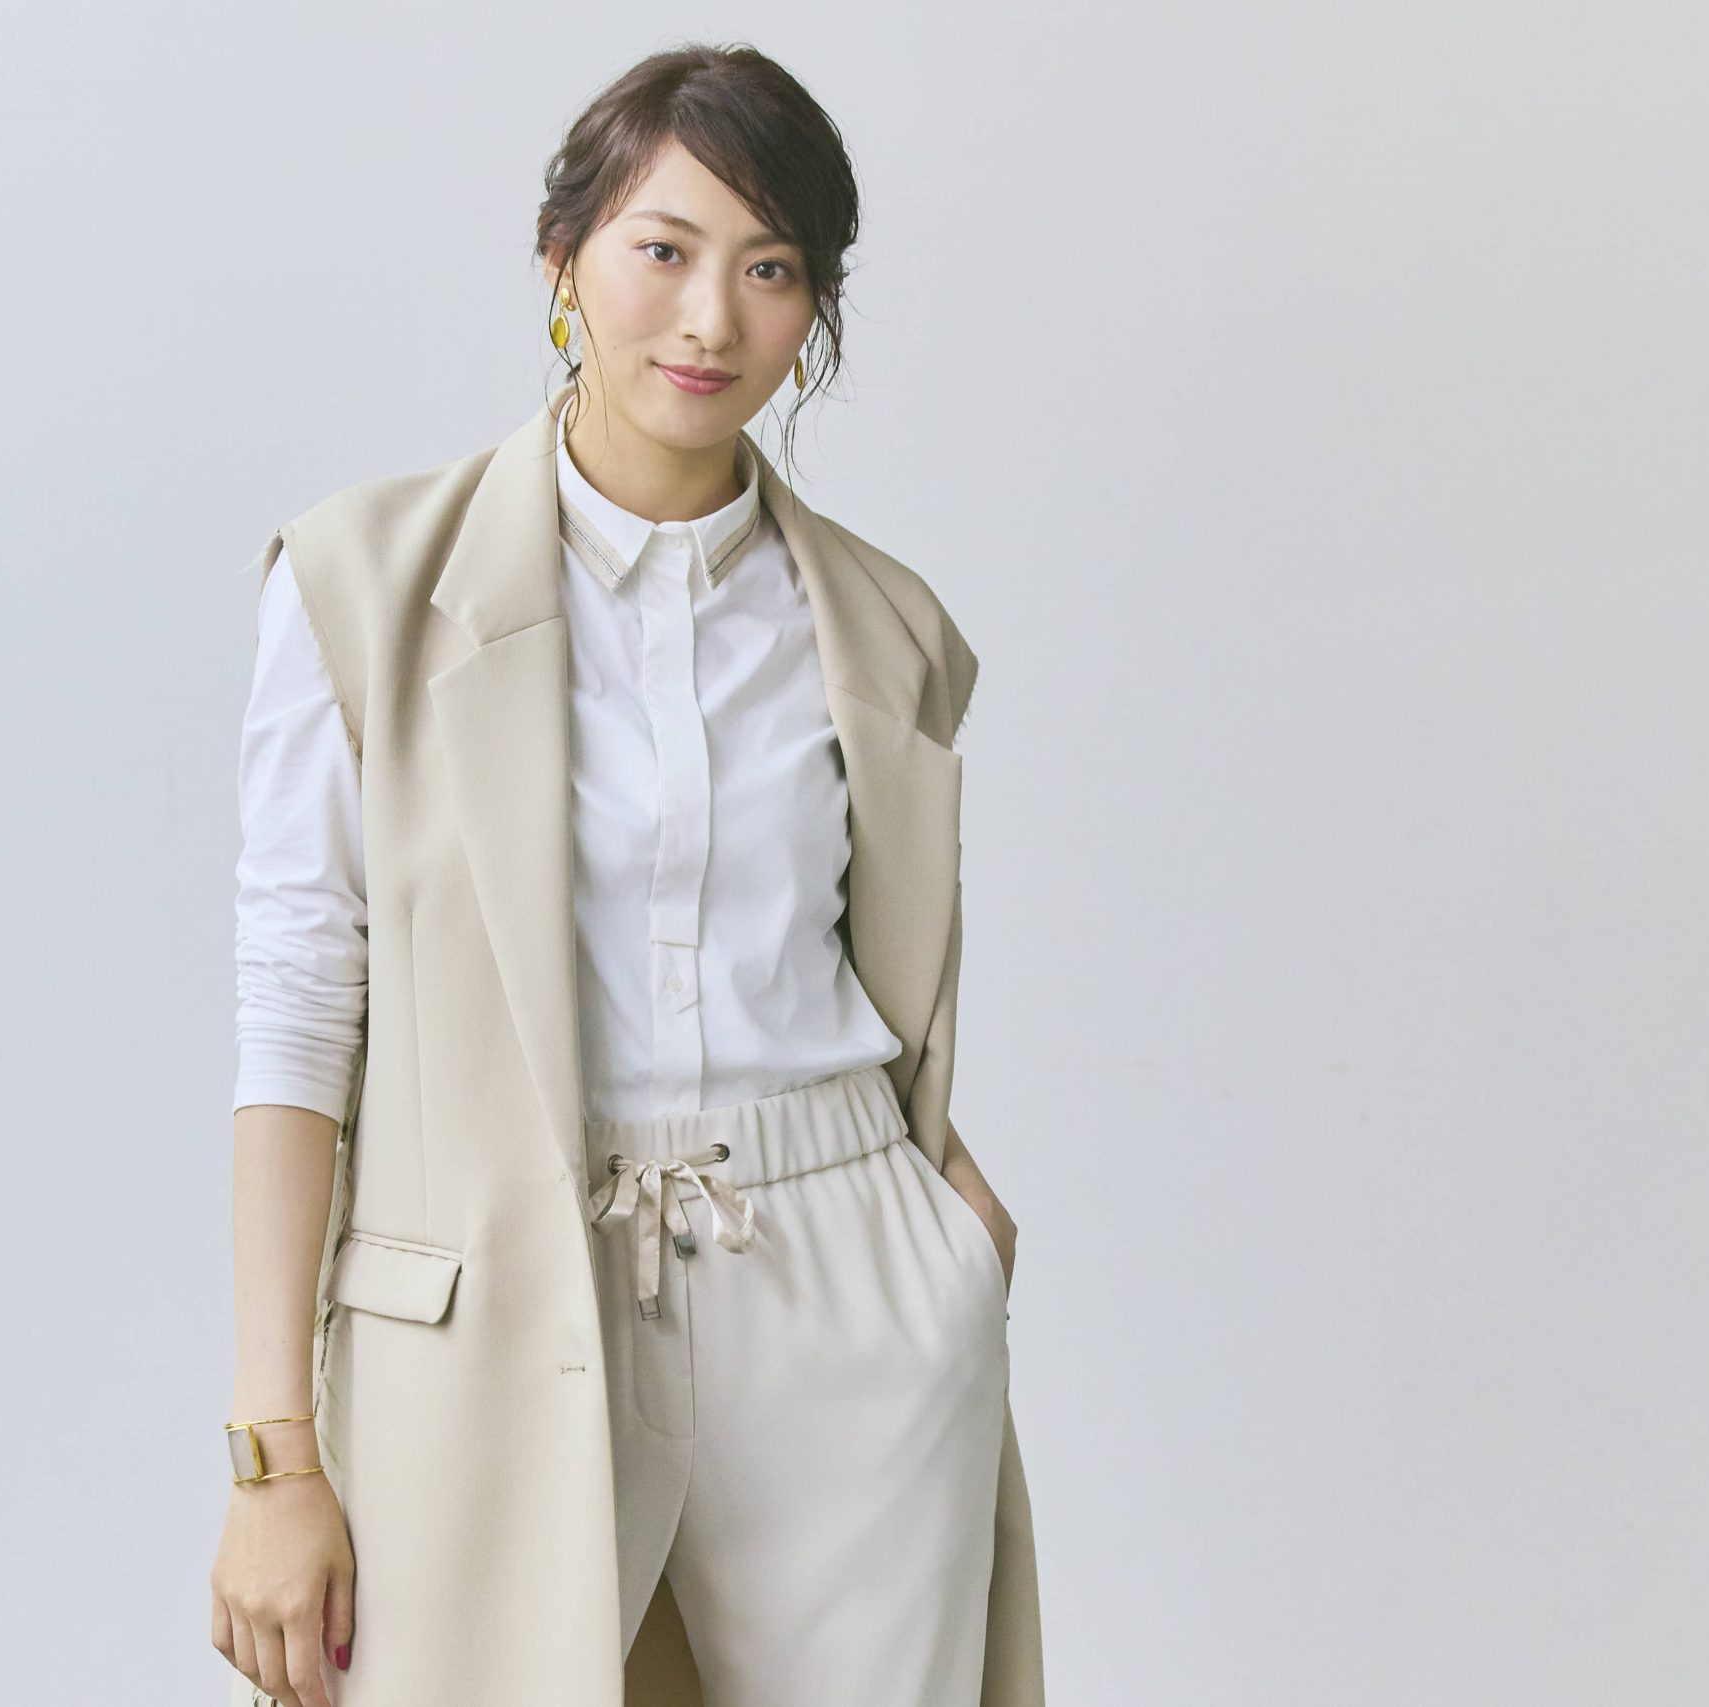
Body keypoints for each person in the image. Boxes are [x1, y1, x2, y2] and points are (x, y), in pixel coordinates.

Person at [209, 42, 1037, 1707]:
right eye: (663, 248)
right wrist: (271, 1453)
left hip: (841, 1294)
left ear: (815, 309)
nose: (710, 319)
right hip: (495, 1295)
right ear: (563, 261)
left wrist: (939, 1227)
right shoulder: (362, 585)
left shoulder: (885, 629)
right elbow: (300, 1010)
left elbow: (853, 975)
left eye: (771, 268)